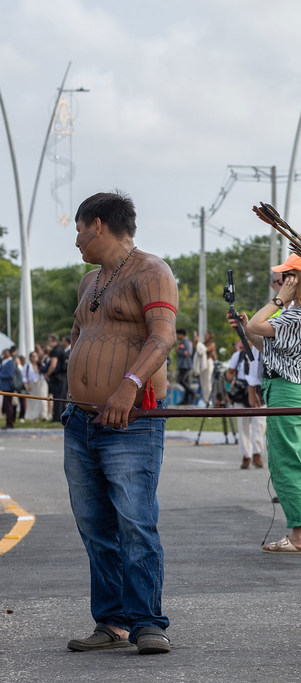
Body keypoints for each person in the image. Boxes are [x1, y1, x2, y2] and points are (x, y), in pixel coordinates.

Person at [62, 191, 178, 655]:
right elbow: (79, 335)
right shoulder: (90, 281)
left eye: (77, 231)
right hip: (80, 422)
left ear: (97, 225)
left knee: (135, 523)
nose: (76, 242)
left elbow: (164, 336)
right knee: (94, 526)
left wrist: (128, 384)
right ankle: (112, 621)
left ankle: (148, 621)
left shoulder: (152, 271)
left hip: (132, 423)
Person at [234, 252, 301, 554]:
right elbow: (268, 347)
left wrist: (277, 301)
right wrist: (247, 326)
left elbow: (258, 329)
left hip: (288, 393)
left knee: (287, 464)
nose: (280, 283)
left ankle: (299, 535)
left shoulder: (294, 315)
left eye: (286, 278)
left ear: (297, 282)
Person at [225, 339, 265, 469]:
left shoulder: (262, 352)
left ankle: (257, 453)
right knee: (242, 426)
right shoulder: (238, 355)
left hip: (259, 391)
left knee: (259, 425)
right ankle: (246, 455)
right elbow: (229, 372)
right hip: (241, 393)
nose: (249, 342)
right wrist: (231, 381)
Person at [23, 350, 50, 421]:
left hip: (41, 383)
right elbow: (25, 377)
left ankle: (43, 415)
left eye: (36, 356)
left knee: (43, 399)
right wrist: (27, 385)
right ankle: (34, 416)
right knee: (33, 401)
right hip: (32, 384)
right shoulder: (27, 366)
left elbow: (45, 373)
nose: (35, 358)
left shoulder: (42, 365)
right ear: (30, 358)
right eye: (33, 356)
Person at [174, 329, 194, 405]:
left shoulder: (186, 341)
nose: (177, 336)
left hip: (185, 366)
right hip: (182, 365)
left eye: (178, 334)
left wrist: (178, 351)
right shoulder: (182, 342)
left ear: (182, 334)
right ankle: (185, 401)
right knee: (186, 382)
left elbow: (189, 353)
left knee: (180, 380)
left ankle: (192, 393)